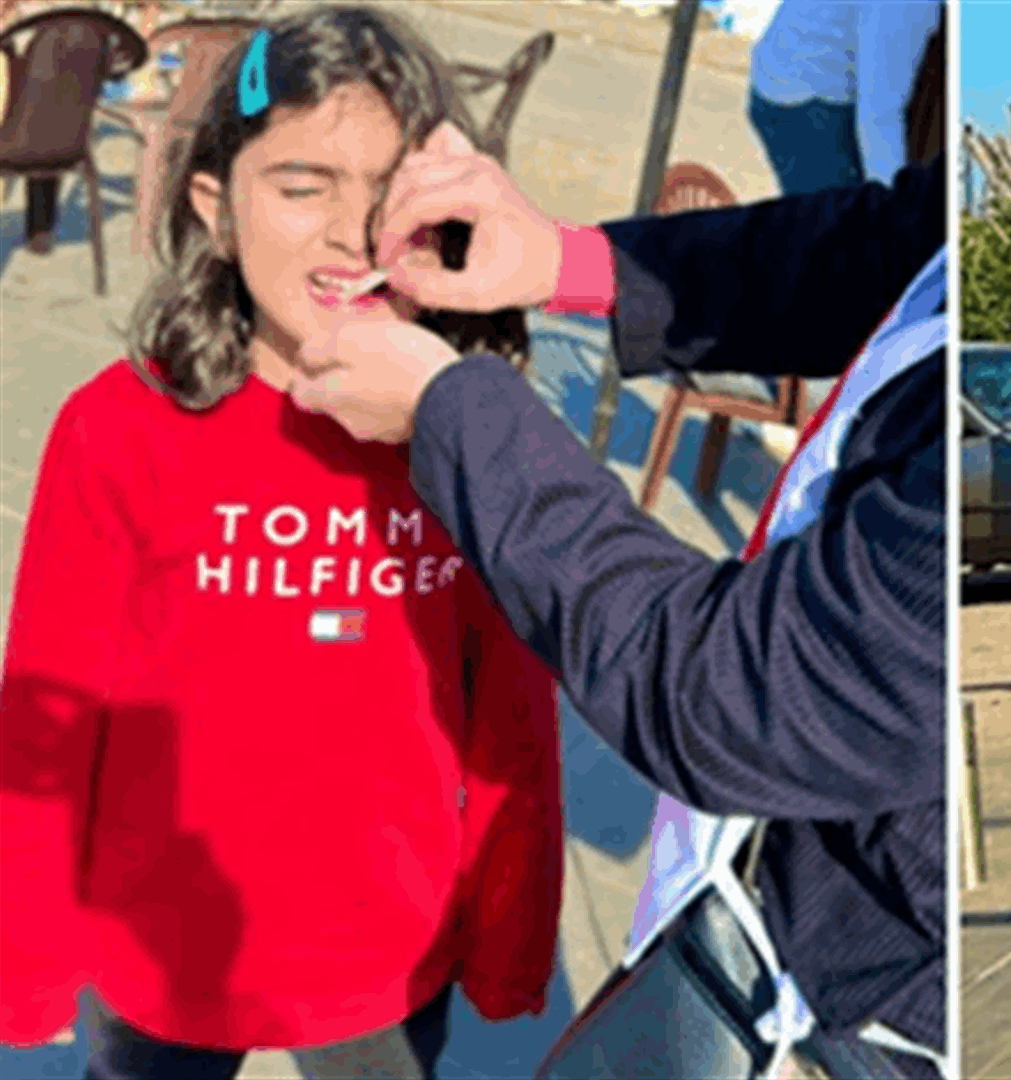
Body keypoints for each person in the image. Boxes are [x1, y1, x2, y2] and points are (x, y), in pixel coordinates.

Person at [281, 77, 948, 1080]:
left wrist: (455, 415)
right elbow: (898, 242)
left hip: (859, 997)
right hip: (776, 886)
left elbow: (735, 695)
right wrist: (569, 259)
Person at [0, 9, 564, 1079]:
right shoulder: (118, 431)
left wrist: (510, 932)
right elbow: (48, 709)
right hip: (163, 947)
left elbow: (513, 719)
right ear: (217, 206)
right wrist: (25, 961)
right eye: (302, 186)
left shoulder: (474, 438)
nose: (351, 234)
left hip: (383, 954)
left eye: (388, 195)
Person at [749, 0, 941, 193]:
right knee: (837, 214)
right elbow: (879, 115)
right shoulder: (906, 5)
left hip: (786, 66)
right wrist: (896, 207)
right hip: (804, 99)